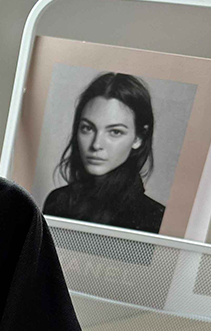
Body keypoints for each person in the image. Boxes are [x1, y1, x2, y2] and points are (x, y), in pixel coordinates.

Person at [43, 72, 166, 233]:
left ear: (138, 138)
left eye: (115, 132)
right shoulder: (57, 202)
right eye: (88, 128)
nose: (96, 144)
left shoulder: (153, 217)